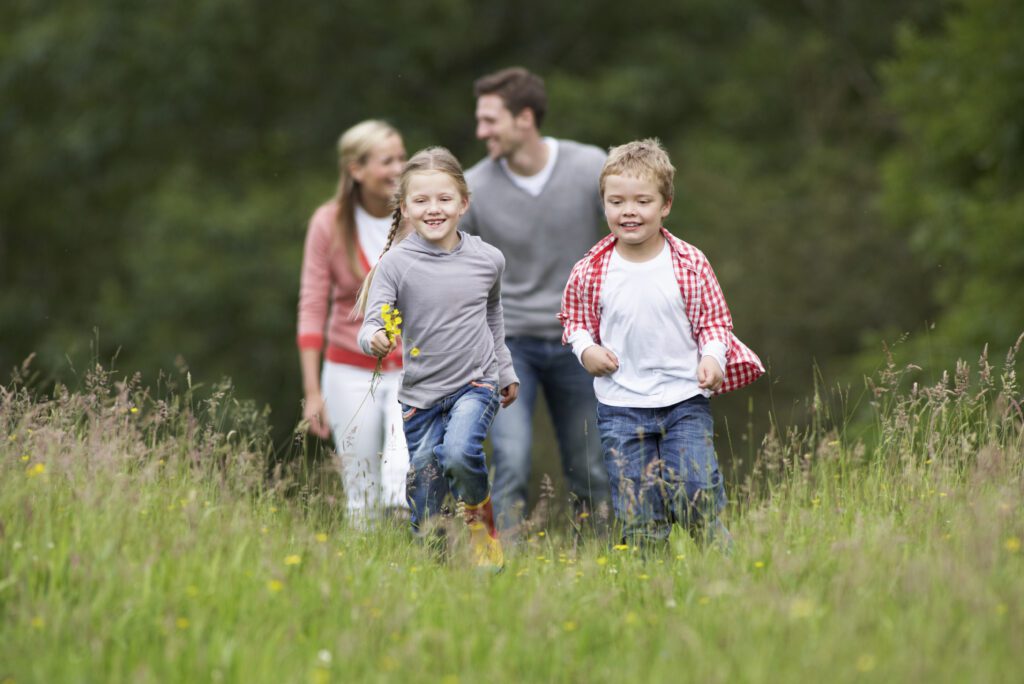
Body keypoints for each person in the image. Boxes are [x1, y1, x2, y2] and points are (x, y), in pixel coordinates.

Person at [559, 139, 764, 549]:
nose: (628, 211)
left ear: (665, 204)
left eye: (642, 201)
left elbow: (714, 322)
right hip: (621, 406)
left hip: (684, 398)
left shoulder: (689, 262)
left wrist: (712, 357)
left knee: (695, 491)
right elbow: (574, 321)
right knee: (639, 513)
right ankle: (651, 592)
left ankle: (731, 573)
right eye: (616, 202)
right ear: (604, 205)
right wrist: (586, 351)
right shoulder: (591, 268)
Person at [461, 66, 611, 534]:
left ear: (524, 118)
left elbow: (632, 236)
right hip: (508, 348)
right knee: (510, 458)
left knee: (592, 465)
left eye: (490, 120)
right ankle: (499, 573)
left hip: (580, 342)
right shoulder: (474, 188)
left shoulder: (591, 168)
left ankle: (610, 560)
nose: (480, 131)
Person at [357, 147, 520, 570]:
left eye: (445, 199)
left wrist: (504, 369)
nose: (434, 209)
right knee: (426, 490)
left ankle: (482, 525)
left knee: (461, 452)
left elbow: (492, 314)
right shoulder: (395, 265)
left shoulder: (488, 259)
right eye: (422, 200)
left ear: (463, 202)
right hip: (420, 397)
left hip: (476, 383)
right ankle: (432, 569)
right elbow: (371, 323)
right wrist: (375, 337)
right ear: (405, 207)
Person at [296, 120, 410, 529]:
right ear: (356, 169)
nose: (399, 168)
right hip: (346, 370)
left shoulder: (419, 218)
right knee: (361, 489)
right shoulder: (329, 222)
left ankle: (411, 566)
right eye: (387, 161)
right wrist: (313, 392)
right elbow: (312, 305)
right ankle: (366, 574)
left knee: (402, 482)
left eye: (402, 157)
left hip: (411, 371)